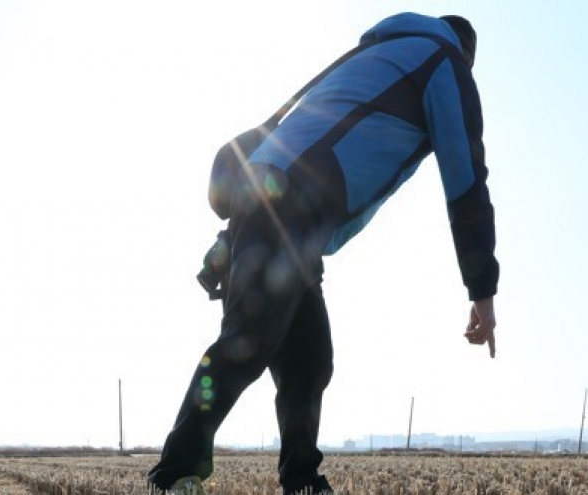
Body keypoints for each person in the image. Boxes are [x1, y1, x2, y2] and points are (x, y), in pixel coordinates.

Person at [148, 12, 499, 495]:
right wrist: (482, 289)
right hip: (292, 209)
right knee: (248, 342)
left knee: (310, 360)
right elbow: (466, 180)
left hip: (283, 214)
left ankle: (302, 481)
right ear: (467, 56)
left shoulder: (376, 54)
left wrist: (233, 239)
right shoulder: (443, 62)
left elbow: (296, 145)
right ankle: (172, 476)